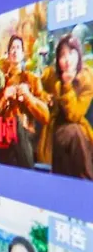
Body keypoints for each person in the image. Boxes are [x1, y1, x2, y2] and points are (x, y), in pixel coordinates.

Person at [38, 34, 93, 179]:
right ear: (57, 59)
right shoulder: (51, 75)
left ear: (78, 54)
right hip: (55, 128)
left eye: (71, 53)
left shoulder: (86, 80)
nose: (67, 60)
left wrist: (67, 86)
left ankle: (85, 179)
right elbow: (37, 88)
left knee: (75, 131)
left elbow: (74, 115)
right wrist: (45, 97)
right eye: (63, 55)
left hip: (76, 128)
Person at [0, 34, 49, 167]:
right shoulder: (2, 83)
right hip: (5, 134)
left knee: (17, 123)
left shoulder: (32, 79)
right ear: (8, 55)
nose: (15, 51)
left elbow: (45, 116)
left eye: (18, 47)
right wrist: (4, 97)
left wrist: (28, 97)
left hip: (26, 132)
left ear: (23, 54)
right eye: (12, 48)